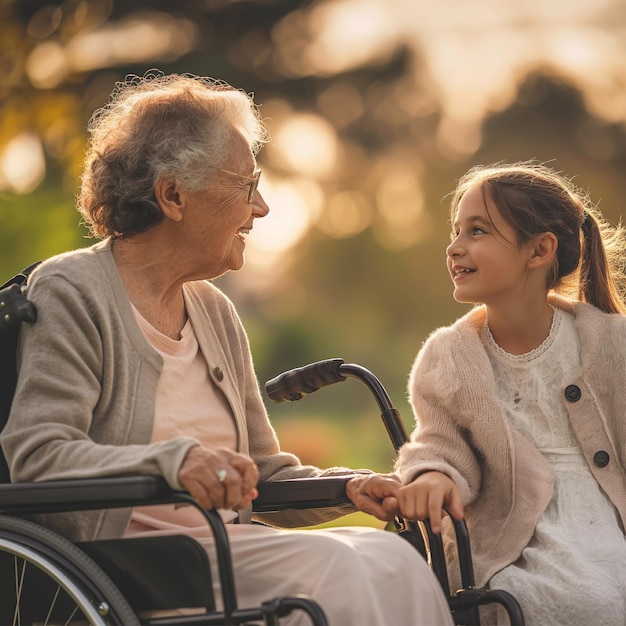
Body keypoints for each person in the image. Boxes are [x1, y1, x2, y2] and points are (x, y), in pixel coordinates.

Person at [1, 71, 454, 625]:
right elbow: (39, 455)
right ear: (173, 195)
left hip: (219, 551)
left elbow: (262, 478)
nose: (261, 207)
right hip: (132, 568)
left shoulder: (215, 312)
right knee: (342, 573)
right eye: (246, 184)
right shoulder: (71, 290)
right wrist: (179, 461)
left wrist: (350, 486)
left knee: (393, 558)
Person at [395, 161, 626, 625]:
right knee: (575, 605)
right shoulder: (449, 357)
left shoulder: (611, 343)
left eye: (476, 231)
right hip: (515, 540)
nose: (454, 247)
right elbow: (440, 444)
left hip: (609, 521)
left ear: (538, 250)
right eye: (456, 230)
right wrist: (433, 476)